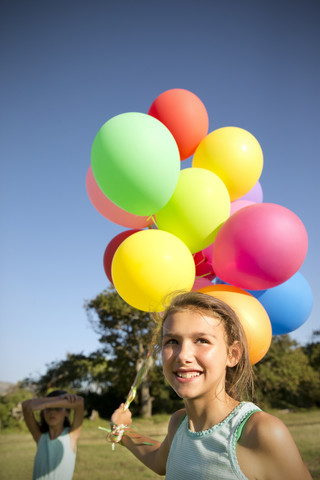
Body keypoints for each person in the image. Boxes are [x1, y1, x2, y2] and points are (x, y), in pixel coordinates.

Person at [110, 291, 312, 480]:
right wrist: (122, 431)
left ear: (232, 355)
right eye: (172, 341)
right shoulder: (178, 423)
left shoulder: (260, 431)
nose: (183, 356)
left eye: (202, 340)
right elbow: (159, 459)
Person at [22, 389, 84, 480]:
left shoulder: (71, 436)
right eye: (48, 409)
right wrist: (60, 398)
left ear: (67, 412)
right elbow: (25, 405)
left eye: (58, 408)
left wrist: (46, 404)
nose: (52, 412)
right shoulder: (40, 437)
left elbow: (79, 402)